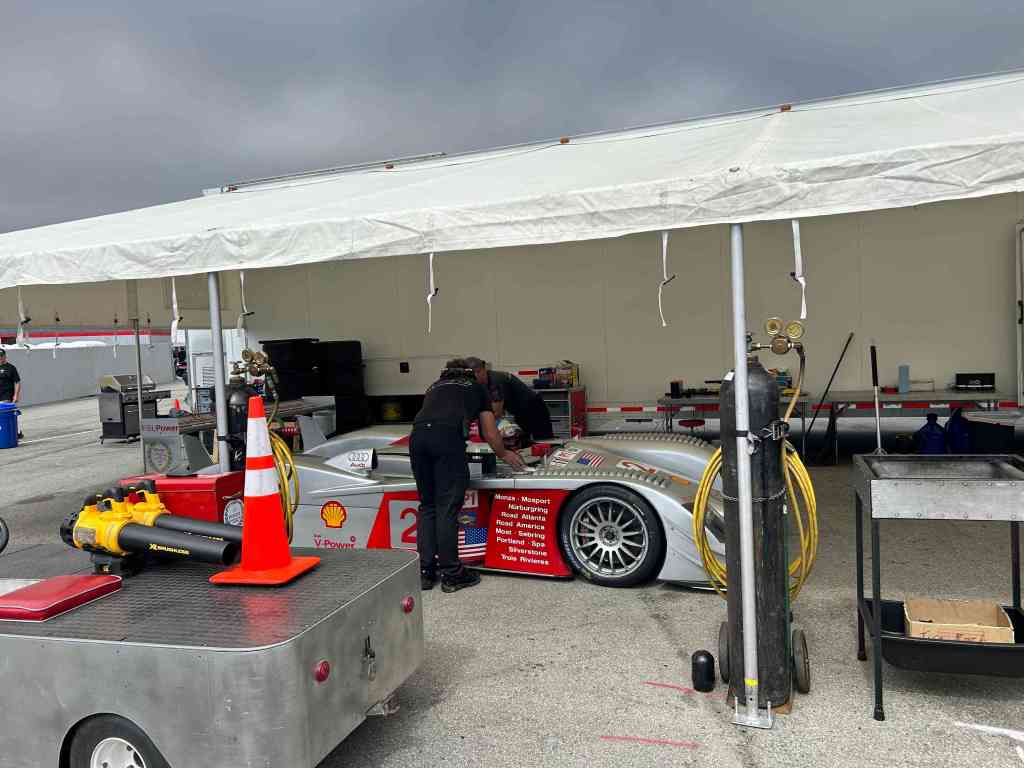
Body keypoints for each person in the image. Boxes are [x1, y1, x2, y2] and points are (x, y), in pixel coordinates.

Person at [411, 358, 526, 593]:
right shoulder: (476, 387)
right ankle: (452, 574)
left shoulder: (434, 386)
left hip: (417, 439)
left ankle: (425, 573)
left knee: (428, 506)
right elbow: (490, 432)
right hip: (446, 440)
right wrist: (505, 454)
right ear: (471, 373)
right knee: (447, 507)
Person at [465, 357, 554, 443]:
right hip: (520, 412)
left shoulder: (495, 381)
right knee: (524, 442)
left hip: (535, 409)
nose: (475, 376)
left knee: (543, 442)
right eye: (472, 374)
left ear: (484, 369)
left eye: (478, 372)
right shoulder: (482, 382)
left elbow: (496, 413)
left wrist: (477, 424)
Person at [0, 349, 22, 439]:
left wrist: (16, 395)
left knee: (6, 413)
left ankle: (13, 432)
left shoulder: (11, 368)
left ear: (5, 356)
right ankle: (15, 432)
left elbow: (17, 382)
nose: (0, 358)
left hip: (6, 395)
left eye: (1, 356)